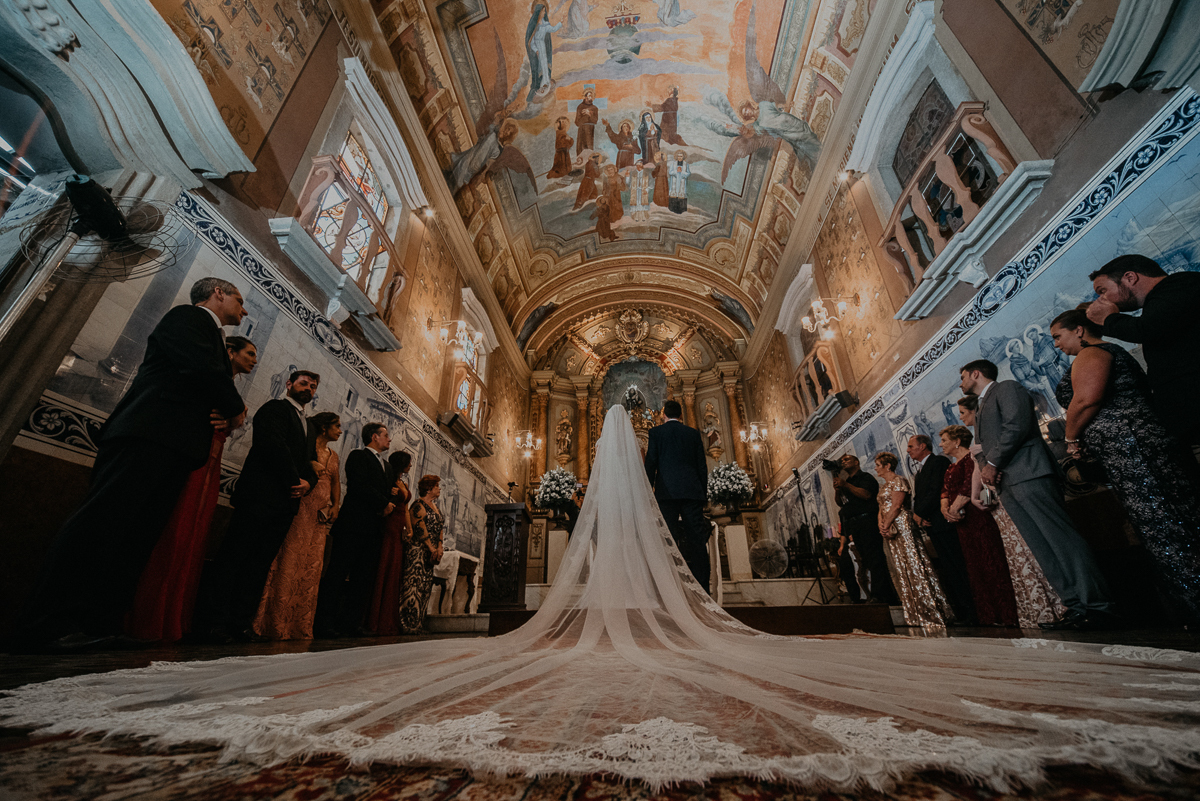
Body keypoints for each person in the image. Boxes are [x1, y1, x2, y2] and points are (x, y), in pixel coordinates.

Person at [8, 403, 1200, 789]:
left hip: (637, 524)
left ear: (605, 435)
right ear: (660, 418)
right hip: (668, 527)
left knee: (613, 591)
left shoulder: (627, 453)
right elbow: (677, 502)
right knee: (672, 581)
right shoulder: (685, 438)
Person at [15, 277, 247, 651]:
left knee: (134, 539)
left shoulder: (211, 335)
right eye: (239, 299)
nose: (244, 308)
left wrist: (220, 410)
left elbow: (202, 381)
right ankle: (44, 625)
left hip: (172, 445)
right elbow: (202, 370)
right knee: (100, 527)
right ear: (217, 293)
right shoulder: (188, 318)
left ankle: (97, 623)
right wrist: (236, 409)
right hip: (145, 437)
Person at [1051, 308, 1200, 620]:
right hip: (1129, 447)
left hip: (1133, 447)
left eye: (1057, 337)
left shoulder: (1093, 353)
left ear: (1078, 330)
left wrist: (1072, 438)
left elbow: (1086, 399)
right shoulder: (1099, 353)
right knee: (1165, 518)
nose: (1055, 344)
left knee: (1164, 519)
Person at [960, 359, 1113, 630]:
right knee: (1041, 547)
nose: (960, 383)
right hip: (1007, 482)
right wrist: (987, 470)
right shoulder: (982, 406)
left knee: (1062, 541)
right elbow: (983, 447)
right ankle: (1075, 606)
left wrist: (993, 463)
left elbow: (1016, 426)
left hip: (1029, 472)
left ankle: (1098, 606)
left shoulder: (1007, 388)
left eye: (963, 377)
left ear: (976, 373)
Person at [126, 335, 258, 643]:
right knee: (174, 528)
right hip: (192, 460)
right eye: (249, 353)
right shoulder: (211, 380)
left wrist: (235, 415)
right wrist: (235, 413)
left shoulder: (229, 389)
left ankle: (173, 616)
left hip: (210, 465)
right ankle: (149, 616)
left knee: (193, 535)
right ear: (229, 352)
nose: (254, 359)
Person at [202, 370, 321, 642]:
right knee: (234, 557)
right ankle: (214, 622)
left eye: (313, 387)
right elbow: (272, 445)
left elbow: (312, 461)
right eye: (304, 383)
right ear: (289, 385)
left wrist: (309, 484)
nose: (308, 389)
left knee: (258, 565)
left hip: (285, 504)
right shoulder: (274, 408)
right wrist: (294, 480)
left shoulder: (310, 425)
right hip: (260, 496)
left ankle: (240, 623)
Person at [957, 396, 1065, 629]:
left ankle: (1059, 603)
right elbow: (978, 467)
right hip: (993, 494)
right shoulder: (978, 435)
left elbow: (995, 461)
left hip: (1010, 488)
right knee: (1014, 552)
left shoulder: (991, 431)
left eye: (964, 413)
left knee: (1031, 544)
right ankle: (1035, 605)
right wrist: (976, 495)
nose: (961, 418)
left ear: (976, 411)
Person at [1086, 254, 1200, 450]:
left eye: (1102, 290)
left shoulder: (1180, 285)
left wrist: (1108, 319)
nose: (1102, 299)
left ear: (1130, 278)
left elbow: (1147, 329)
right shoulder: (1160, 300)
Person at [253, 412, 343, 640]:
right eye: (337, 426)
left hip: (319, 515)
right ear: (324, 428)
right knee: (289, 556)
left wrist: (335, 505)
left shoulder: (334, 456)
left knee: (311, 564)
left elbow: (335, 482)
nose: (340, 431)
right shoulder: (307, 446)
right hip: (302, 505)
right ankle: (273, 620)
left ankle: (298, 623)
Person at [315, 422, 395, 637]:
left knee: (363, 577)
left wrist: (390, 497)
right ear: (374, 437)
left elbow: (386, 491)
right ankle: (324, 623)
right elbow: (359, 485)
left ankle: (351, 622)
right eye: (385, 435)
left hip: (374, 528)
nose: (389, 439)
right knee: (338, 573)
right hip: (353, 524)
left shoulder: (387, 467)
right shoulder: (358, 456)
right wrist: (382, 503)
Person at [938, 425, 1019, 627]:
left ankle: (1005, 612)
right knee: (974, 566)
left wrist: (956, 507)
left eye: (945, 440)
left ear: (957, 441)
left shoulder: (970, 459)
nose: (941, 444)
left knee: (990, 558)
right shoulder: (950, 466)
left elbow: (969, 485)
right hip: (961, 521)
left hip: (977, 514)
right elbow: (945, 490)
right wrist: (944, 506)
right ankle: (988, 614)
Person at [873, 452, 951, 628]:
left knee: (913, 561)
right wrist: (881, 523)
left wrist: (887, 522)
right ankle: (913, 611)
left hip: (901, 525)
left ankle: (929, 609)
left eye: (878, 465)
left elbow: (897, 505)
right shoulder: (883, 486)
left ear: (887, 466)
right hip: (888, 525)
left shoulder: (899, 481)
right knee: (899, 566)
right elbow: (881, 507)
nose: (876, 468)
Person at [907, 434, 976, 625]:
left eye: (911, 446)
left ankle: (972, 611)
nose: (908, 450)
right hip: (932, 524)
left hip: (944, 521)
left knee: (958, 564)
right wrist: (918, 516)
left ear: (922, 446)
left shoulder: (939, 462)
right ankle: (961, 611)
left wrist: (919, 513)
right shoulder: (919, 471)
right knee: (948, 568)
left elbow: (936, 490)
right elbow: (919, 497)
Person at [644, 399, 711, 592]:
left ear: (664, 414)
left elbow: (651, 464)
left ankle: (671, 589)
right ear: (681, 415)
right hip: (692, 493)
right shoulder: (693, 433)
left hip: (666, 494)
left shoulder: (656, 433)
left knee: (668, 540)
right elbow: (701, 466)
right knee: (697, 541)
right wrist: (702, 493)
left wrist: (648, 492)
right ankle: (703, 589)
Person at [834, 454, 896, 605]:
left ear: (856, 462)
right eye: (842, 461)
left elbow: (866, 495)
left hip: (868, 521)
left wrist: (846, 485)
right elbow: (840, 502)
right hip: (855, 525)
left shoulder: (866, 478)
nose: (844, 461)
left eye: (847, 459)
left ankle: (880, 596)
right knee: (867, 559)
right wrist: (838, 488)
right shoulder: (846, 481)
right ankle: (884, 595)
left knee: (875, 558)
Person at [367, 451, 413, 636]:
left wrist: (409, 529)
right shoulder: (391, 482)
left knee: (395, 570)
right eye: (408, 463)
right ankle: (376, 618)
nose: (410, 465)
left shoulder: (404, 483)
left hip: (400, 526)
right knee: (385, 567)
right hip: (390, 524)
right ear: (401, 464)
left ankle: (388, 617)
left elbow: (407, 509)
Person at [400, 474, 444, 634]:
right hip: (418, 550)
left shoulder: (435, 507)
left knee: (425, 586)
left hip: (430, 554)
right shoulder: (418, 505)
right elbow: (419, 527)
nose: (439, 489)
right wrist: (431, 548)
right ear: (429, 488)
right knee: (413, 585)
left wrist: (439, 547)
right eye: (437, 486)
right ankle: (408, 623)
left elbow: (440, 528)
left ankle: (419, 623)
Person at [574, 90, 598, 154]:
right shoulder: (580, 107)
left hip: (590, 129)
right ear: (585, 97)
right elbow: (577, 122)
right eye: (589, 96)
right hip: (582, 129)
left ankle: (589, 161)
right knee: (581, 146)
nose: (591, 97)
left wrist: (589, 114)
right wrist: (585, 117)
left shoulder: (594, 108)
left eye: (592, 96)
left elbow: (595, 121)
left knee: (589, 146)